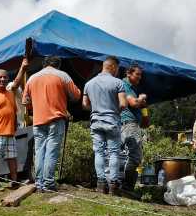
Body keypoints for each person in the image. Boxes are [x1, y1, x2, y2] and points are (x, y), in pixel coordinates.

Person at [23, 56, 81, 192]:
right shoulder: (62, 75)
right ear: (58, 65)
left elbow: (25, 101)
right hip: (55, 119)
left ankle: (38, 183)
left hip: (38, 121)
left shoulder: (32, 78)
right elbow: (76, 95)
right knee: (51, 151)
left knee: (39, 151)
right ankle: (48, 183)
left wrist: (36, 102)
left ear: (44, 64)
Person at [81, 56, 124, 195]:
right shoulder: (118, 83)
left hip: (95, 122)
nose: (118, 71)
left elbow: (85, 105)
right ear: (112, 67)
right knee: (113, 153)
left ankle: (101, 184)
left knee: (98, 152)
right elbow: (123, 104)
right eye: (117, 68)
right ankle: (113, 184)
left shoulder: (89, 84)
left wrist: (97, 109)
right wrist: (114, 110)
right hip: (112, 121)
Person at [117, 64, 148, 192]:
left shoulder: (130, 88)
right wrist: (141, 98)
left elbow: (140, 109)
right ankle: (127, 187)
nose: (140, 77)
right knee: (135, 157)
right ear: (128, 73)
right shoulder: (125, 86)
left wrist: (144, 112)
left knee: (120, 156)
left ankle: (120, 184)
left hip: (128, 124)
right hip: (129, 124)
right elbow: (134, 103)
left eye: (141, 75)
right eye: (137, 74)